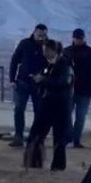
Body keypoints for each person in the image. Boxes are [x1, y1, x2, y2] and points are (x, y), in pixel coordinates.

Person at [25, 39, 72, 171]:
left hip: (60, 105)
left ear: (53, 50)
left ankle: (58, 165)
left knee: (59, 136)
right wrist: (38, 80)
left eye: (46, 50)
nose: (44, 53)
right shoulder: (48, 64)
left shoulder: (64, 64)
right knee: (36, 133)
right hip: (47, 103)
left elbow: (62, 82)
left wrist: (44, 79)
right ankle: (34, 162)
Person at [8, 24, 48, 147]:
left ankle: (36, 137)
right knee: (19, 109)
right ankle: (18, 136)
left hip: (39, 84)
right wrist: (12, 79)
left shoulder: (48, 46)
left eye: (43, 35)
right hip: (23, 82)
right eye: (39, 35)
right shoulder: (24, 43)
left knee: (39, 111)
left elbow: (50, 65)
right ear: (34, 32)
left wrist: (43, 74)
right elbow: (14, 60)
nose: (41, 38)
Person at [64, 29, 91, 148]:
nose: (79, 40)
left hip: (84, 90)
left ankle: (76, 139)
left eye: (81, 38)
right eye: (77, 38)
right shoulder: (66, 51)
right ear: (73, 38)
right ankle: (69, 137)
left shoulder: (90, 53)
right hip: (69, 89)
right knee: (67, 115)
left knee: (81, 116)